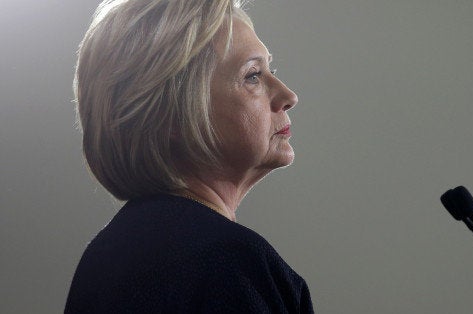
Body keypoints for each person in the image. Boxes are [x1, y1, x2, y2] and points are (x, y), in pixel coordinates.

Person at [64, 0, 313, 313]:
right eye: (253, 75)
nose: (288, 96)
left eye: (270, 70)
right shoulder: (229, 262)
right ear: (172, 114)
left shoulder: (103, 257)